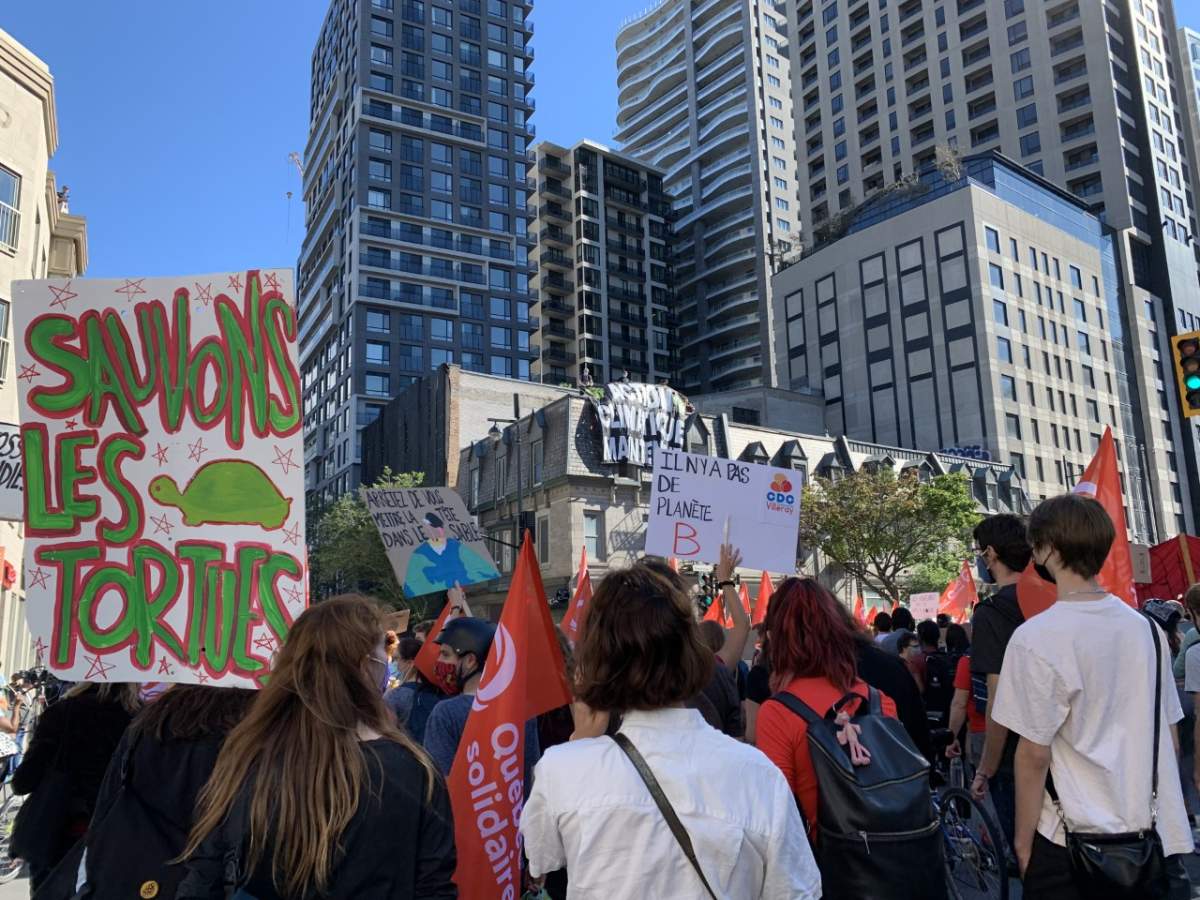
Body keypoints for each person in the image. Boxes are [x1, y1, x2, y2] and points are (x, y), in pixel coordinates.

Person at [520, 556, 821, 898]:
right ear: (691, 651)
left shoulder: (562, 769)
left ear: (597, 661)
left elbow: (542, 858)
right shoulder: (759, 776)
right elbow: (796, 891)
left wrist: (580, 742)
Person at [177, 595, 456, 899]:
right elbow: (434, 886)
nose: (387, 661)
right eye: (383, 650)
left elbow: (205, 874)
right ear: (365, 666)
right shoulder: (414, 770)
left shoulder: (247, 755)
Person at [992, 495, 1193, 898]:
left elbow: (1032, 755)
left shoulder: (1036, 638)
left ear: (1047, 549)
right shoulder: (1148, 631)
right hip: (1153, 839)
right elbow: (1168, 737)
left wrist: (1022, 842)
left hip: (1069, 843)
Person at [64, 685, 256, 898]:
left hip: (127, 871)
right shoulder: (252, 731)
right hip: (200, 878)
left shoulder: (151, 719)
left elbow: (106, 804)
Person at [10, 682, 139, 891]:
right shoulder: (139, 720)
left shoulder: (61, 713)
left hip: (56, 831)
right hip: (111, 838)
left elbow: (24, 781)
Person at [969, 512, 1031, 849]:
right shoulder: (1054, 599)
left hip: (1014, 760)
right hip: (1067, 746)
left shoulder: (991, 614)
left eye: (980, 552)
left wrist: (985, 769)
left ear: (991, 553)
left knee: (1030, 860)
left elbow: (997, 701)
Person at [422, 616, 540, 780]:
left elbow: (440, 785)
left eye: (445, 654)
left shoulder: (446, 714)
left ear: (470, 660)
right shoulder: (523, 709)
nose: (439, 661)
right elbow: (532, 775)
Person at [403, 512, 498, 598]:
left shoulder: (457, 547)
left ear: (441, 529)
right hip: (433, 605)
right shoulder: (419, 553)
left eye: (434, 528)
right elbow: (411, 584)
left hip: (457, 599)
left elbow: (482, 569)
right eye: (427, 529)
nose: (430, 532)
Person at [384, 636, 445, 744]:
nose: (394, 663)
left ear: (410, 663)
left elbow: (383, 732)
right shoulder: (439, 692)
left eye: (397, 659)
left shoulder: (396, 695)